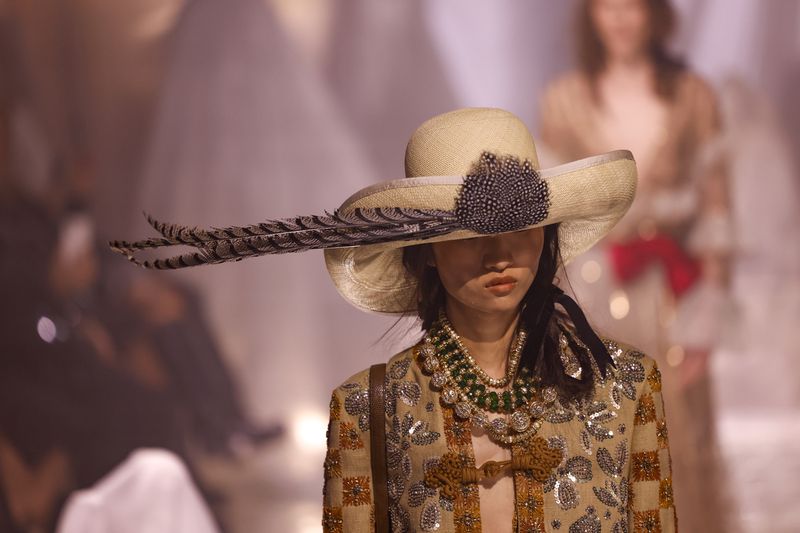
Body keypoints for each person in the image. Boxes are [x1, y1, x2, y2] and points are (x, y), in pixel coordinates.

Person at [112, 107, 675, 532]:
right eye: (469, 236)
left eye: (522, 228)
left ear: (546, 236)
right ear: (426, 250)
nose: (499, 254)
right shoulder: (368, 410)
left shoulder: (625, 388)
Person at [538, 1, 732, 530]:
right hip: (590, 294)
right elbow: (550, 219)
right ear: (590, 15)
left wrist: (707, 316)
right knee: (595, 434)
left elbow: (717, 210)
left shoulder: (695, 97)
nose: (621, 18)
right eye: (607, 5)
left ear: (654, 13)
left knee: (676, 438)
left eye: (633, 4)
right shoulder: (563, 100)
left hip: (671, 293)